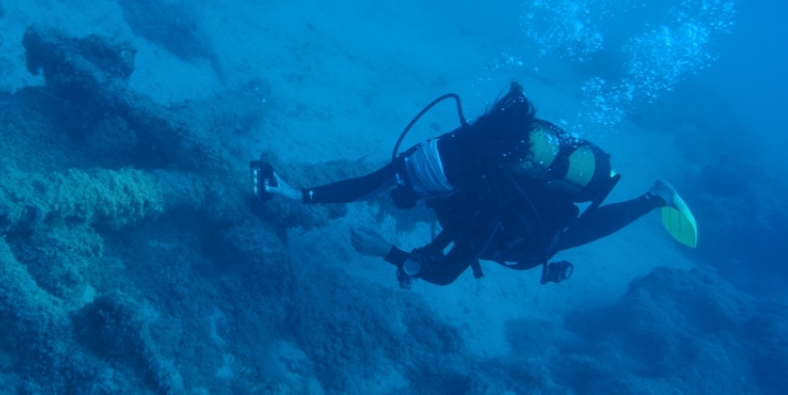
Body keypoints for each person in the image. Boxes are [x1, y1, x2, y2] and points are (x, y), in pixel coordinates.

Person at [250, 82, 697, 288]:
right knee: (454, 219)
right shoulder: (454, 154)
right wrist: (293, 192)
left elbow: (445, 273)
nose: (404, 187)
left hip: (530, 234)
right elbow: (369, 184)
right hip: (477, 211)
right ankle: (652, 197)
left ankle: (654, 198)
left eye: (417, 188)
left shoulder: (482, 204)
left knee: (573, 234)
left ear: (443, 190)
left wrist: (389, 253)